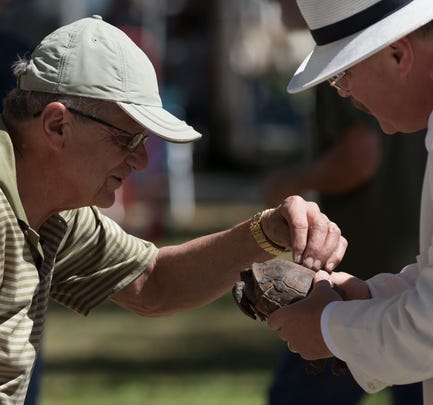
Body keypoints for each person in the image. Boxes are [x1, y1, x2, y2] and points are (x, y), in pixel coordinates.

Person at [0, 15, 347, 404]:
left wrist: (269, 232)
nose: (142, 160)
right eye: (126, 138)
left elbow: (153, 283)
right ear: (57, 126)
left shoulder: (55, 208)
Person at [268, 1, 433, 404]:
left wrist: (327, 329)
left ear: (398, 54)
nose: (346, 93)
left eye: (343, 73)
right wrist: (373, 296)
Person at [263, 1, 425, 404]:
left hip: (360, 273)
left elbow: (361, 156)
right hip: (410, 272)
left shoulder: (343, 56)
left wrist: (291, 182)